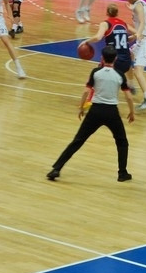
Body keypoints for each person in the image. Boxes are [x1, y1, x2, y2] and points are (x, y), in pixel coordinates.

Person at [46, 45, 135, 183]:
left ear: (102, 58)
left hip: (95, 111)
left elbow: (86, 91)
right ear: (115, 58)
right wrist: (132, 112)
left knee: (78, 140)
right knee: (122, 142)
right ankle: (122, 173)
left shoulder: (95, 72)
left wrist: (81, 107)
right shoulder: (119, 75)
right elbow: (129, 97)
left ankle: (56, 169)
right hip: (112, 112)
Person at [79, 3, 137, 92]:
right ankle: (131, 84)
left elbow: (98, 37)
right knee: (128, 59)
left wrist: (86, 41)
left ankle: (91, 92)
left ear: (107, 13)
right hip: (126, 62)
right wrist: (129, 38)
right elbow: (137, 33)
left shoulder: (105, 23)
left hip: (113, 62)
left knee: (95, 74)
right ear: (117, 13)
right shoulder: (124, 23)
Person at [125, 0, 146, 110]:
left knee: (138, 70)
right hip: (142, 39)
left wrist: (137, 34)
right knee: (127, 57)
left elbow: (142, 22)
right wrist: (136, 35)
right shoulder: (139, 3)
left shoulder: (138, 5)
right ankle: (130, 84)